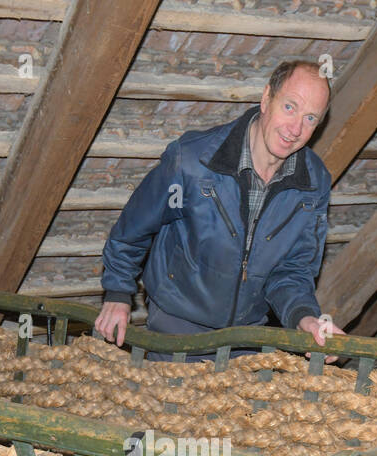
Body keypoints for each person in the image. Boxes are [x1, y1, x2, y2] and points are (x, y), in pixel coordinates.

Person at [94, 60, 344, 351]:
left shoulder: (314, 183)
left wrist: (306, 317)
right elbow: (131, 231)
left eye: (310, 118)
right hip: (177, 326)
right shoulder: (192, 161)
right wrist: (117, 293)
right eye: (290, 107)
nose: (295, 128)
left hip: (248, 336)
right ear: (266, 99)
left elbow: (293, 271)